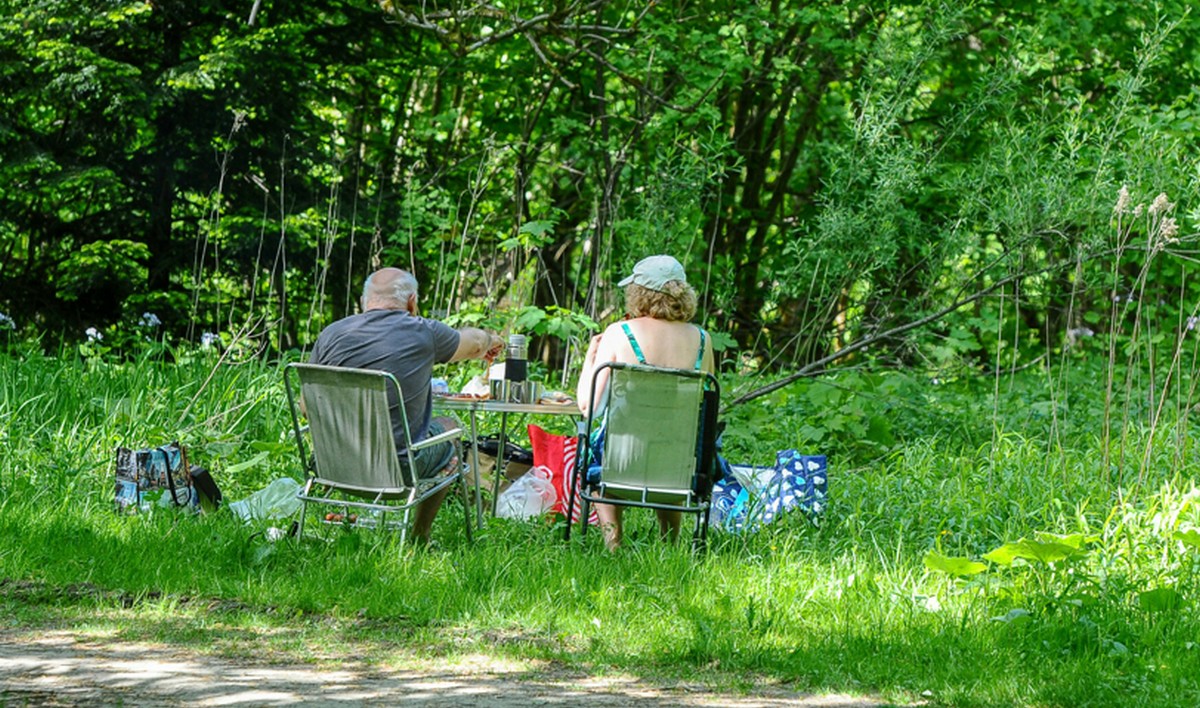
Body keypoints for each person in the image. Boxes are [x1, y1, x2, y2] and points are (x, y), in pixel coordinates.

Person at [309, 267, 504, 544]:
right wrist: (489, 340)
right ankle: (419, 536)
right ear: (412, 302)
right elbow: (472, 344)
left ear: (366, 302)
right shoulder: (422, 331)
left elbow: (307, 408)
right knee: (452, 429)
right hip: (396, 470)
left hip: (330, 465)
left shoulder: (330, 335)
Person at [576, 255, 716, 551]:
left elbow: (590, 408)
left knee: (599, 455)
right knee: (672, 444)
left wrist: (590, 358)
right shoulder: (702, 339)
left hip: (622, 460)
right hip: (678, 463)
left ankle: (613, 546)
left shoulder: (618, 333)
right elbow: (707, 408)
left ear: (640, 292)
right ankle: (670, 545)